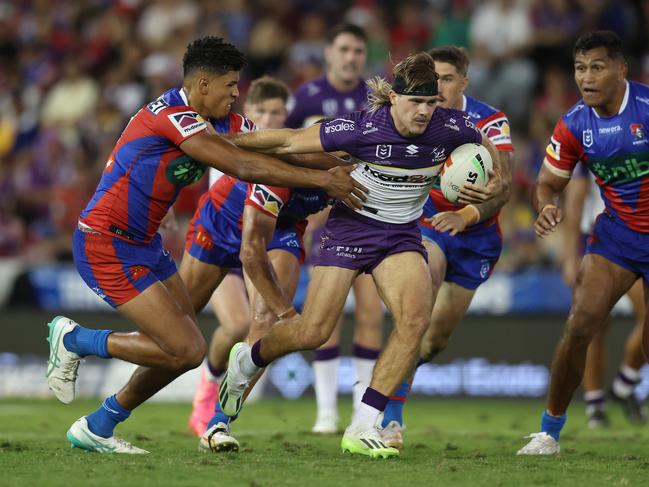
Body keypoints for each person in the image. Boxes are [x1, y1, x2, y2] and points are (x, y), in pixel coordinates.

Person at [45, 36, 363, 454]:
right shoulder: (173, 117)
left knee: (178, 347)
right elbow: (243, 165)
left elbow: (284, 148)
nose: (237, 94)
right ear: (203, 85)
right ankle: (74, 340)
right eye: (231, 85)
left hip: (144, 244)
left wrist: (351, 162)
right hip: (105, 244)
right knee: (186, 349)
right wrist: (325, 182)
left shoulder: (221, 121)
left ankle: (100, 424)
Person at [219, 52, 502, 458]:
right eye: (414, 102)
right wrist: (215, 144)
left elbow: (489, 154)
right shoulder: (361, 128)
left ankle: (363, 423)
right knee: (313, 332)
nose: (423, 112)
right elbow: (285, 139)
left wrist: (492, 184)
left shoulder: (453, 126)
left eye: (430, 102)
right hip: (351, 229)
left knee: (415, 321)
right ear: (393, 98)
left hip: (402, 236)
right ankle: (248, 361)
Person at [376, 45, 514, 450]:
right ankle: (391, 416)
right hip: (430, 223)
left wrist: (468, 215)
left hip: (478, 236)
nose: (439, 87)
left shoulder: (490, 121)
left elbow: (502, 189)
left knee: (434, 340)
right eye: (433, 79)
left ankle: (392, 373)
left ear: (464, 82)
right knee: (421, 296)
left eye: (448, 79)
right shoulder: (417, 117)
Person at [518, 31, 649, 456]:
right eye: (580, 68)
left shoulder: (646, 109)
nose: (586, 78)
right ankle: (548, 433)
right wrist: (546, 207)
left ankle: (626, 389)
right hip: (618, 236)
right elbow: (547, 183)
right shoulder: (574, 122)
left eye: (597, 67)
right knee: (579, 325)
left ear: (621, 69)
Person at [286, 22, 385, 434]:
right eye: (343, 49)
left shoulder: (377, 98)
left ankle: (364, 412)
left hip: (371, 212)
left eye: (358, 51)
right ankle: (326, 411)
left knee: (369, 315)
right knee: (324, 318)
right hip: (326, 216)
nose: (350, 57)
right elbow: (288, 147)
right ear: (329, 52)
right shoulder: (306, 96)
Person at [187, 76, 295, 437]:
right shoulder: (225, 140)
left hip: (264, 239)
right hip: (220, 237)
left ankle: (223, 414)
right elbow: (183, 172)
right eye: (261, 110)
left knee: (261, 323)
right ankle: (208, 386)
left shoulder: (289, 152)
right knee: (233, 326)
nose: (268, 117)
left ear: (286, 115)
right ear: (247, 113)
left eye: (276, 111)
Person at [562, 165, 647, 429]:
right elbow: (575, 198)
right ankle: (595, 404)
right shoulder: (590, 134)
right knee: (594, 325)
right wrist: (569, 258)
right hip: (596, 238)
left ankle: (624, 384)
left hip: (635, 237)